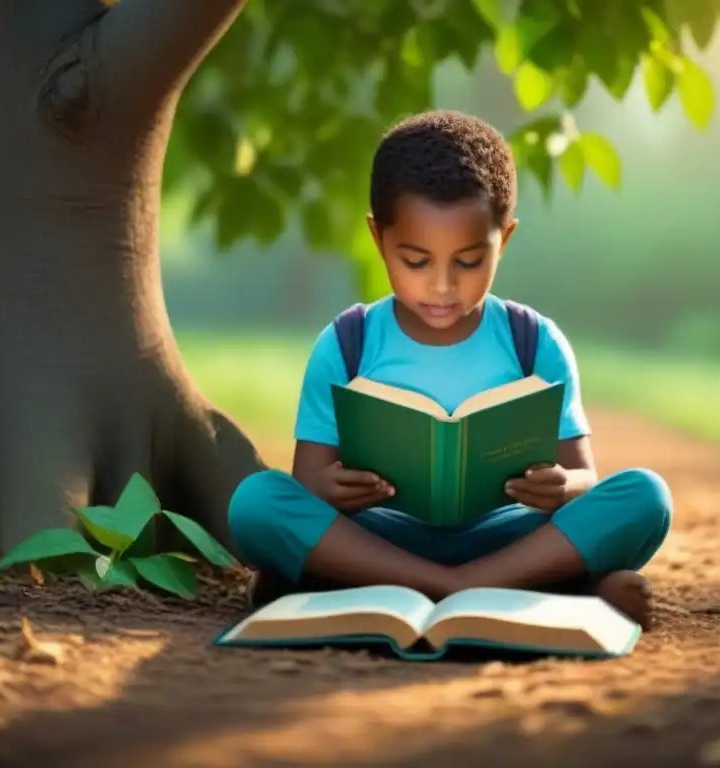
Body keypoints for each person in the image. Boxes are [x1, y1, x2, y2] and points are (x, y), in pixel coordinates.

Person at [227, 110, 672, 630]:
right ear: (378, 238)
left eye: (467, 262)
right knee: (257, 503)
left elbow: (584, 478)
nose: (442, 287)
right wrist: (337, 489)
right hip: (385, 533)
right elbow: (308, 485)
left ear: (503, 239)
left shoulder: (534, 341)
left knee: (645, 496)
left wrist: (560, 486)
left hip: (507, 533)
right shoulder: (347, 343)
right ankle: (543, 589)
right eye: (416, 261)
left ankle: (362, 585)